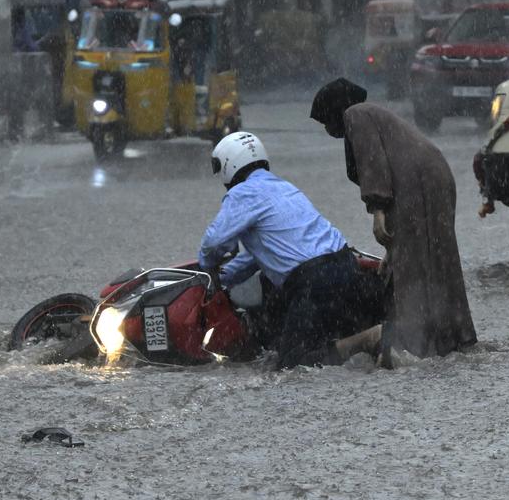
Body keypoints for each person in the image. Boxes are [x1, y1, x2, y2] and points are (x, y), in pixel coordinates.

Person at [310, 78, 477, 363]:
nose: (327, 130)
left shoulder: (356, 115)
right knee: (437, 259)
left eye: (325, 122)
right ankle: (452, 338)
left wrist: (377, 209)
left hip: (418, 184)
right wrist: (391, 250)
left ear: (335, 110)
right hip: (431, 178)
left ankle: (415, 343)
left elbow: (374, 163)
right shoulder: (374, 115)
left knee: (413, 268)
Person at [199, 132, 373, 369]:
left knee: (293, 366)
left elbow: (213, 243)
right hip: (345, 264)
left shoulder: (243, 193)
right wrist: (224, 278)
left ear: (229, 164)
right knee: (311, 341)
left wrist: (207, 270)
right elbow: (255, 259)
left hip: (314, 279)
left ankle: (368, 340)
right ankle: (358, 344)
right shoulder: (284, 187)